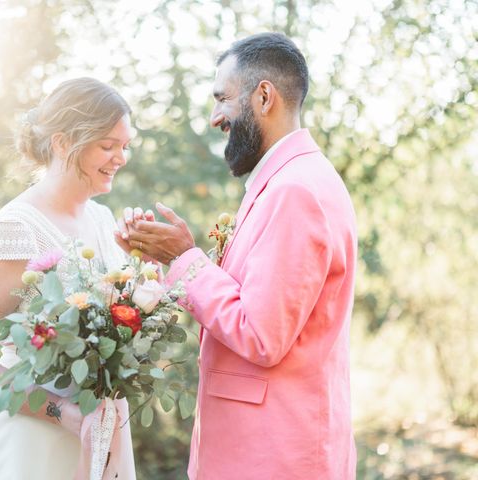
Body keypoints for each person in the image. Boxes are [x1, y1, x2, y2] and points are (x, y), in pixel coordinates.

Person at [116, 33, 357, 479]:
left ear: (264, 96)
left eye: (222, 99)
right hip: (258, 447)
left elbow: (261, 335)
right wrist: (170, 258)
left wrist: (186, 259)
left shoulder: (294, 191)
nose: (214, 118)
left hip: (272, 456)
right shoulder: (288, 181)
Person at [0, 77, 137, 480]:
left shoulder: (101, 220)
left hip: (100, 432)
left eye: (125, 146)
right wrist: (59, 411)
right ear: (63, 143)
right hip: (30, 444)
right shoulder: (15, 229)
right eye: (107, 145)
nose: (121, 157)